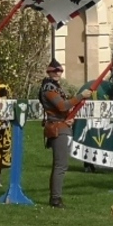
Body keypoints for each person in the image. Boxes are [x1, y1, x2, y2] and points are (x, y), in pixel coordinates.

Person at [39, 58, 91, 208]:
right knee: (60, 165)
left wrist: (68, 118)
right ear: (49, 72)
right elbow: (62, 106)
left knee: (61, 165)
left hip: (62, 125)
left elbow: (64, 109)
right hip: (57, 128)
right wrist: (81, 96)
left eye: (59, 71)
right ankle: (55, 198)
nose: (57, 73)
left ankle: (56, 197)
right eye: (54, 71)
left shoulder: (55, 87)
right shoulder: (49, 88)